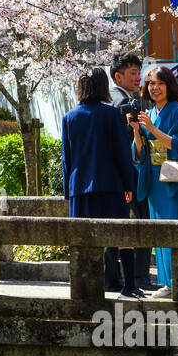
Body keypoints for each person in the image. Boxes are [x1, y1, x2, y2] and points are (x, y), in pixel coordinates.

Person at [62, 67, 143, 298]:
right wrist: (129, 185)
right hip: (111, 184)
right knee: (121, 234)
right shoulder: (111, 114)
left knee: (83, 240)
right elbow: (121, 153)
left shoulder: (69, 117)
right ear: (103, 87)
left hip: (80, 187)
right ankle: (129, 286)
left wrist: (68, 191)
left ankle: (84, 288)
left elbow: (66, 158)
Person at [130, 65, 178, 298]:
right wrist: (138, 133)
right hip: (155, 180)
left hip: (175, 179)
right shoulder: (148, 115)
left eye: (160, 83)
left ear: (170, 86)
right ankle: (167, 282)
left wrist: (153, 130)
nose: (155, 88)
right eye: (151, 83)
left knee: (174, 228)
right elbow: (140, 154)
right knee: (159, 230)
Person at [106, 53, 160, 292]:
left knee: (115, 221)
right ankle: (139, 275)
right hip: (130, 171)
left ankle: (114, 276)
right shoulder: (121, 102)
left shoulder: (116, 99)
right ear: (118, 76)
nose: (139, 78)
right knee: (142, 220)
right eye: (132, 74)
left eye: (139, 72)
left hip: (119, 172)